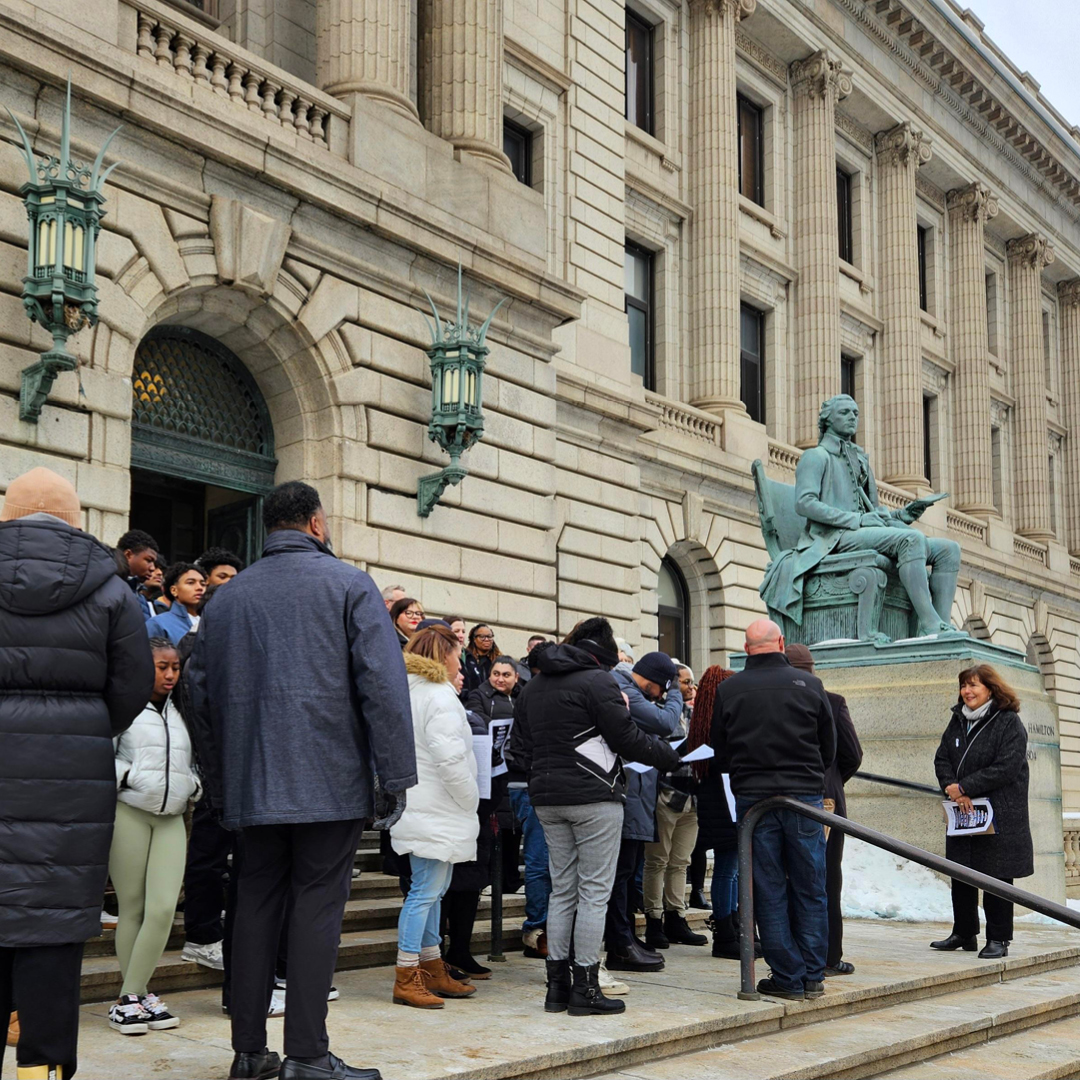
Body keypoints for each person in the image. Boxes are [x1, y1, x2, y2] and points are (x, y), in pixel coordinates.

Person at [188, 480, 417, 1080]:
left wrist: (219, 779)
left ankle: (249, 1053)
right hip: (329, 781)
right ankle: (308, 1055)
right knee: (317, 908)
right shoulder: (347, 583)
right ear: (316, 522)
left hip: (250, 783)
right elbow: (385, 689)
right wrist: (395, 775)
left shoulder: (225, 600)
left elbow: (197, 692)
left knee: (255, 904)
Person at [0, 467, 153, 1079]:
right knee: (53, 942)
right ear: (76, 521)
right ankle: (43, 1072)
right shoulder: (113, 592)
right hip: (71, 788)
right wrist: (84, 726)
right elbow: (131, 689)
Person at [509, 617, 681, 1017]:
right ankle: (585, 987)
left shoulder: (533, 686)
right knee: (594, 892)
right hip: (593, 797)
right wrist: (670, 757)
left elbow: (518, 751)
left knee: (562, 891)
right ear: (602, 655)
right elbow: (626, 738)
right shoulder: (597, 681)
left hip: (547, 799)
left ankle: (557, 989)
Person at [762, 394, 961, 637]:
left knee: (949, 550)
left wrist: (904, 515)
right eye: (844, 412)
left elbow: (874, 514)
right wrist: (856, 521)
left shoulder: (859, 459)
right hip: (832, 539)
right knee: (912, 540)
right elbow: (804, 503)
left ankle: (942, 624)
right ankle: (929, 625)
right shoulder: (815, 457)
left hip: (860, 534)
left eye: (855, 413)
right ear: (827, 419)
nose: (852, 417)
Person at [711, 618, 835, 1002]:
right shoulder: (811, 685)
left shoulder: (729, 689)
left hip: (754, 798)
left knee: (767, 888)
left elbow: (720, 748)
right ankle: (813, 973)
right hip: (803, 796)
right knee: (811, 885)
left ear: (747, 649)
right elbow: (828, 747)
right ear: (781, 642)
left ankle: (787, 975)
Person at [108, 637, 202, 1036]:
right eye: (161, 667)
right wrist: (126, 778)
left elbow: (196, 758)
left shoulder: (184, 712)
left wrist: (193, 786)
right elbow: (100, 756)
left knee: (163, 908)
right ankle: (135, 997)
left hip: (171, 818)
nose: (169, 674)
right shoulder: (122, 709)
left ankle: (131, 995)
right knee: (132, 907)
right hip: (128, 812)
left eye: (174, 667)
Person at [390, 625, 481, 1007]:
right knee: (425, 891)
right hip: (438, 805)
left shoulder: (410, 690)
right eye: (457, 653)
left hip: (422, 804)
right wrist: (470, 797)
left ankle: (431, 965)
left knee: (431, 891)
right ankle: (407, 973)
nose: (460, 661)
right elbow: (451, 758)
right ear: (443, 654)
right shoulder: (438, 694)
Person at [932, 665, 1033, 959]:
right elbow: (941, 758)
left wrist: (964, 786)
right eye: (964, 685)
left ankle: (999, 938)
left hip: (999, 811)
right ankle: (964, 932)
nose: (967, 692)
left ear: (990, 688)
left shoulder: (1008, 722)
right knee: (961, 873)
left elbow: (1007, 767)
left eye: (974, 685)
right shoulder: (957, 720)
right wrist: (950, 786)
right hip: (963, 812)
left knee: (997, 875)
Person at [785, 644, 863, 977]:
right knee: (827, 877)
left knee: (787, 876)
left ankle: (792, 953)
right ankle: (829, 955)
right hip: (826, 799)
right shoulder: (831, 701)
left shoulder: (777, 702)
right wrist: (831, 781)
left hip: (784, 797)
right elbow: (852, 754)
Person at [606, 652, 687, 970]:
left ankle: (625, 938)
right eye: (665, 688)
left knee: (627, 874)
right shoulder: (624, 688)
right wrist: (677, 688)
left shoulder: (635, 692)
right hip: (626, 794)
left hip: (638, 794)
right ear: (656, 682)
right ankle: (619, 944)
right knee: (621, 873)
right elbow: (667, 723)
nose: (666, 695)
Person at [683, 666, 748, 959]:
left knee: (730, 869)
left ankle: (732, 927)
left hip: (718, 801)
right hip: (725, 802)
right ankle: (725, 932)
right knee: (728, 870)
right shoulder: (718, 722)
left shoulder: (703, 721)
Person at [642, 663, 706, 954]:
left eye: (692, 682)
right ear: (671, 684)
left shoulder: (695, 714)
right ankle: (653, 920)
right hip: (665, 794)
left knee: (681, 861)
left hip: (693, 795)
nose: (690, 687)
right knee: (657, 860)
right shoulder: (657, 713)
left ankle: (676, 917)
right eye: (684, 681)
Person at [503, 643, 556, 967]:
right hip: (531, 782)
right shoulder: (533, 694)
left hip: (545, 782)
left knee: (546, 863)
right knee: (539, 862)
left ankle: (544, 927)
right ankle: (536, 929)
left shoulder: (536, 692)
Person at [145, 563, 207, 644]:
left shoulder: (211, 621)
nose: (199, 588)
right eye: (191, 582)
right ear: (174, 590)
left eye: (203, 584)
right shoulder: (158, 624)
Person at [117, 528, 161, 620]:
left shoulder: (141, 597)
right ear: (128, 555)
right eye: (148, 560)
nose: (152, 568)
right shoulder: (108, 587)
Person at [462, 624, 500, 696]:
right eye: (482, 637)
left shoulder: (497, 661)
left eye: (489, 636)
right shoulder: (467, 659)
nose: (486, 639)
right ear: (474, 639)